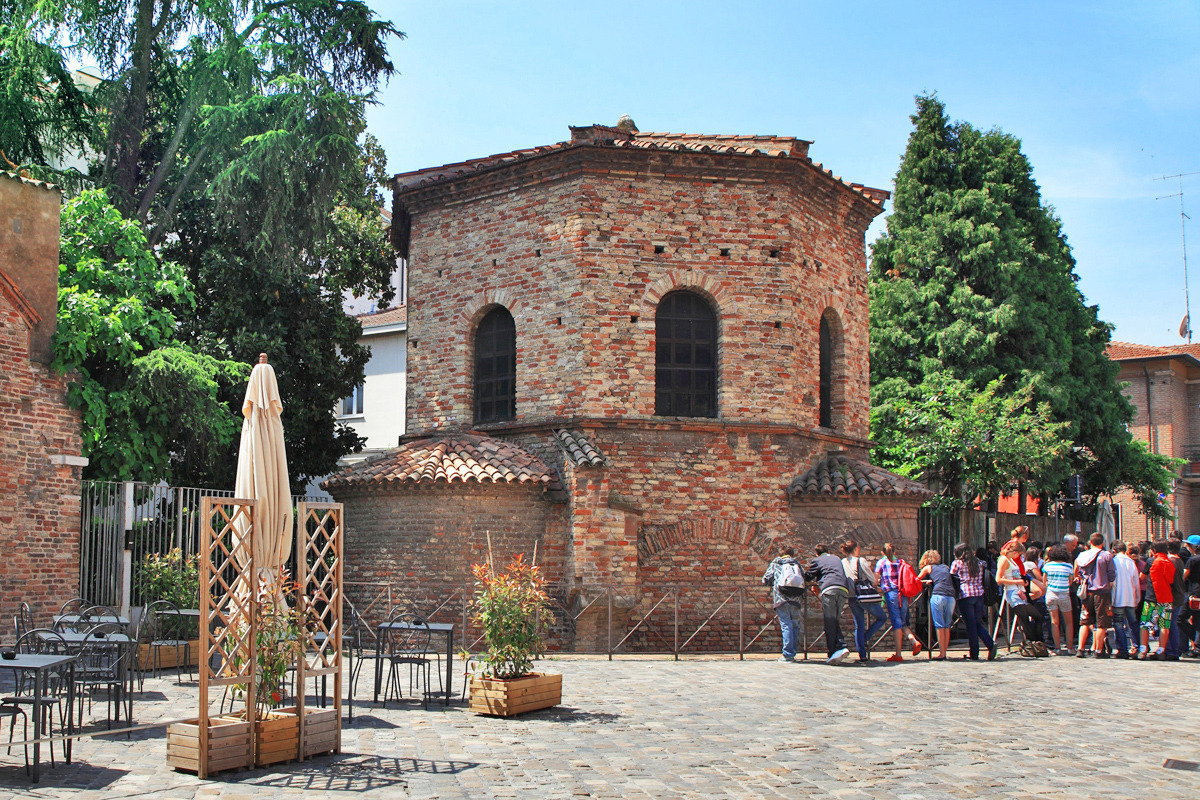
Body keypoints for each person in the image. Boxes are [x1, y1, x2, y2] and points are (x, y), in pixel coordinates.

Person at [876, 542, 922, 662]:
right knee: (902, 622)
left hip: (891, 594)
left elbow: (875, 579)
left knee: (896, 623)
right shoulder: (901, 562)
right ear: (895, 552)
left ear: (882, 552)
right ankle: (914, 641)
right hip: (903, 594)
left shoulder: (882, 562)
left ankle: (898, 654)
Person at [841, 539, 886, 662]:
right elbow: (873, 580)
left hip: (851, 596)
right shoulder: (860, 561)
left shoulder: (842, 562)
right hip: (864, 596)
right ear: (856, 549)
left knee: (859, 625)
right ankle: (864, 639)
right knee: (882, 617)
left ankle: (862, 654)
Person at [804, 543, 850, 665]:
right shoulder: (836, 558)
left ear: (817, 553)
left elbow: (809, 576)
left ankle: (837, 649)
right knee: (834, 620)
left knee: (829, 621)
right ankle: (838, 649)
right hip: (843, 589)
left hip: (829, 589)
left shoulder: (818, 560)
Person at [1073, 532, 1116, 658]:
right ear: (1102, 543)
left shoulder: (1082, 555)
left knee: (1085, 621)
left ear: (1090, 543)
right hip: (1102, 591)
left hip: (1087, 592)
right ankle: (1098, 650)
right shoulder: (1106, 555)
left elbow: (1076, 571)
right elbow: (1112, 573)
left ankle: (1080, 649)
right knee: (1101, 623)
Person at [997, 540, 1044, 654]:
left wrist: (1022, 582)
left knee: (1037, 617)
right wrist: (1018, 581)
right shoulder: (1004, 560)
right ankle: (1034, 643)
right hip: (1013, 593)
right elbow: (999, 579)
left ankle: (1036, 642)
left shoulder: (1011, 560)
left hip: (1019, 591)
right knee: (1025, 620)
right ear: (1015, 552)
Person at [951, 542, 996, 660]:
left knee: (970, 625)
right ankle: (989, 644)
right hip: (979, 594)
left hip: (965, 595)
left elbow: (951, 577)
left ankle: (976, 652)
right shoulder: (979, 563)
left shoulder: (957, 563)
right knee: (977, 623)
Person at [761, 545, 805, 663]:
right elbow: (804, 578)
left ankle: (788, 655)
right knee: (795, 625)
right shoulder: (797, 564)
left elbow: (766, 579)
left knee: (786, 625)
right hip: (796, 599)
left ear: (780, 553)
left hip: (781, 598)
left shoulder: (776, 563)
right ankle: (793, 652)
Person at [916, 550, 955, 660]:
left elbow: (917, 580)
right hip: (951, 597)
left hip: (938, 595)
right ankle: (944, 652)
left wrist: (926, 582)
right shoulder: (946, 567)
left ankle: (941, 653)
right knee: (947, 626)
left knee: (939, 625)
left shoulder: (928, 568)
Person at [1141, 539, 1176, 660]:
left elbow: (1142, 577)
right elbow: (1171, 580)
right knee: (1164, 625)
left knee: (1146, 625)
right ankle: (1161, 650)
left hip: (1151, 597)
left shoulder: (1151, 561)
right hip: (1166, 598)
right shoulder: (1169, 562)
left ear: (1153, 549)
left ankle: (1143, 649)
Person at [1042, 544, 1075, 655]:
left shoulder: (1047, 566)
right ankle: (1070, 647)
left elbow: (1044, 581)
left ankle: (1057, 648)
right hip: (1064, 594)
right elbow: (1070, 582)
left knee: (1054, 622)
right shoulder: (1069, 566)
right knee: (1068, 622)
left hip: (1051, 594)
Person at [1110, 540, 1141, 658]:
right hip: (1130, 598)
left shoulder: (1114, 562)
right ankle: (1137, 646)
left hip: (1118, 598)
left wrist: (1111, 600)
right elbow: (1135, 582)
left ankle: (1122, 649)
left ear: (1114, 550)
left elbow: (1113, 582)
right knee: (1133, 624)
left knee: (1118, 625)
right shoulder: (1131, 562)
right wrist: (1137, 598)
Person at [1023, 545, 1053, 650]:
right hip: (1037, 593)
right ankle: (1041, 639)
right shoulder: (1031, 564)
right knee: (1042, 616)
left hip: (1030, 592)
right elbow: (1039, 578)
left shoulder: (1024, 564)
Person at [1163, 538, 1188, 660]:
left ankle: (1171, 650)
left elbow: (1169, 580)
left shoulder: (1170, 561)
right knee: (1173, 623)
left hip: (1172, 596)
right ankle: (1174, 650)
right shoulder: (1179, 561)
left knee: (1169, 624)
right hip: (1179, 595)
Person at [1183, 535, 1200, 657]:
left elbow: (1184, 575)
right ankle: (1198, 647)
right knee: (1198, 620)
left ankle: (1196, 640)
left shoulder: (1193, 560)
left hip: (1194, 593)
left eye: (1188, 545)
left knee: (1180, 618)